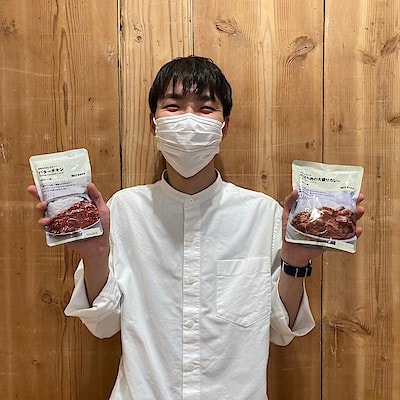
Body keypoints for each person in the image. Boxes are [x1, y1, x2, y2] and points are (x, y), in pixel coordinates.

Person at [28, 56, 365, 400]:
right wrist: (95, 254)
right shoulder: (124, 210)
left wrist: (295, 260)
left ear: (224, 126)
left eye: (205, 108)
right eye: (173, 106)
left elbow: (282, 329)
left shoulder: (262, 214)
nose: (189, 119)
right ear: (153, 123)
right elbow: (102, 324)